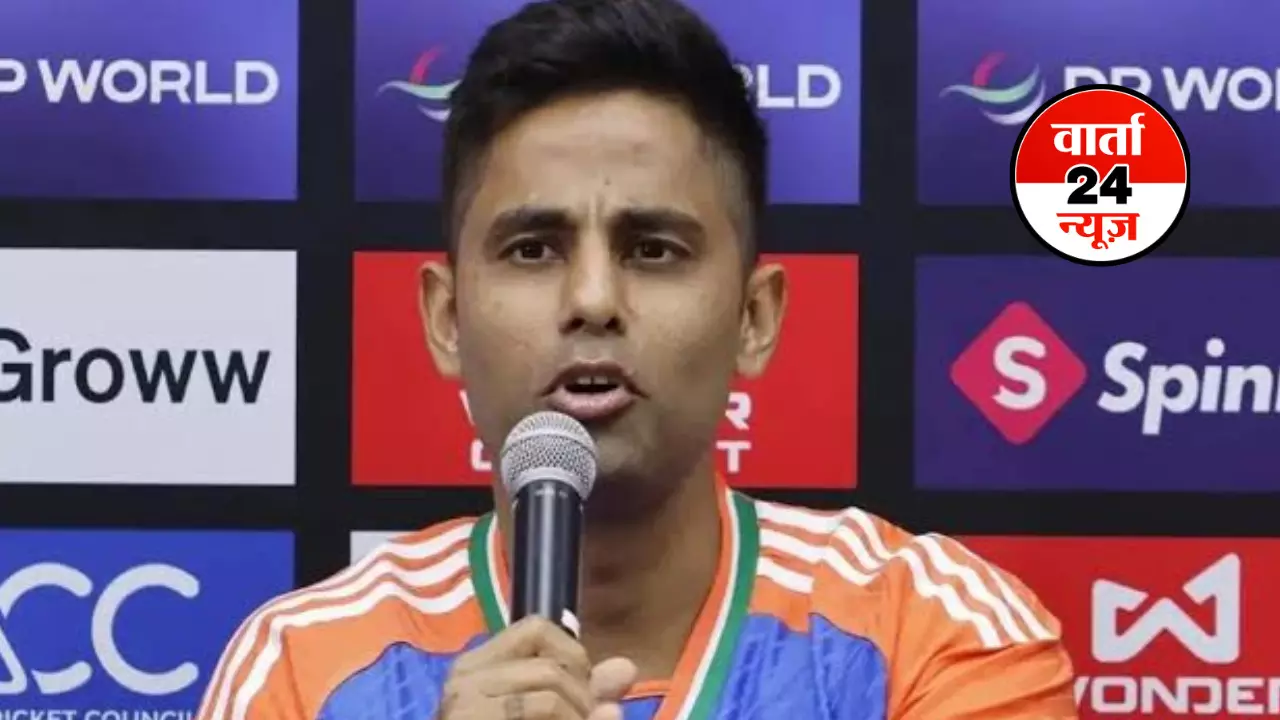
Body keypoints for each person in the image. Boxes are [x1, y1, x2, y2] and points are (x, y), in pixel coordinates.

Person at [195, 0, 1078, 717]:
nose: (592, 298)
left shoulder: (931, 631)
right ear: (448, 319)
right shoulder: (303, 668)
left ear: (755, 317)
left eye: (653, 249)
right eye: (533, 249)